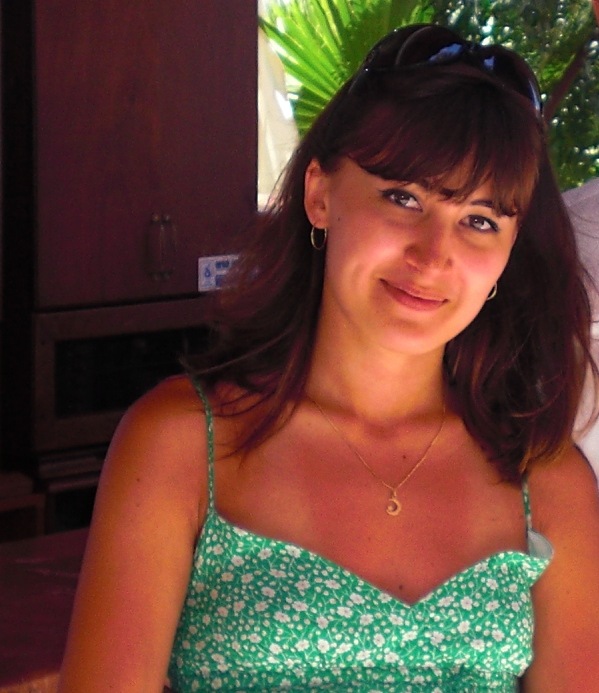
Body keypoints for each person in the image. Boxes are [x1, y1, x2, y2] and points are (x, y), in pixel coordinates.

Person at [58, 23, 599, 692]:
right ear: (319, 194)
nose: (433, 255)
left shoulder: (545, 478)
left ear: (508, 253)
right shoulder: (181, 441)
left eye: (480, 220)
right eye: (403, 198)